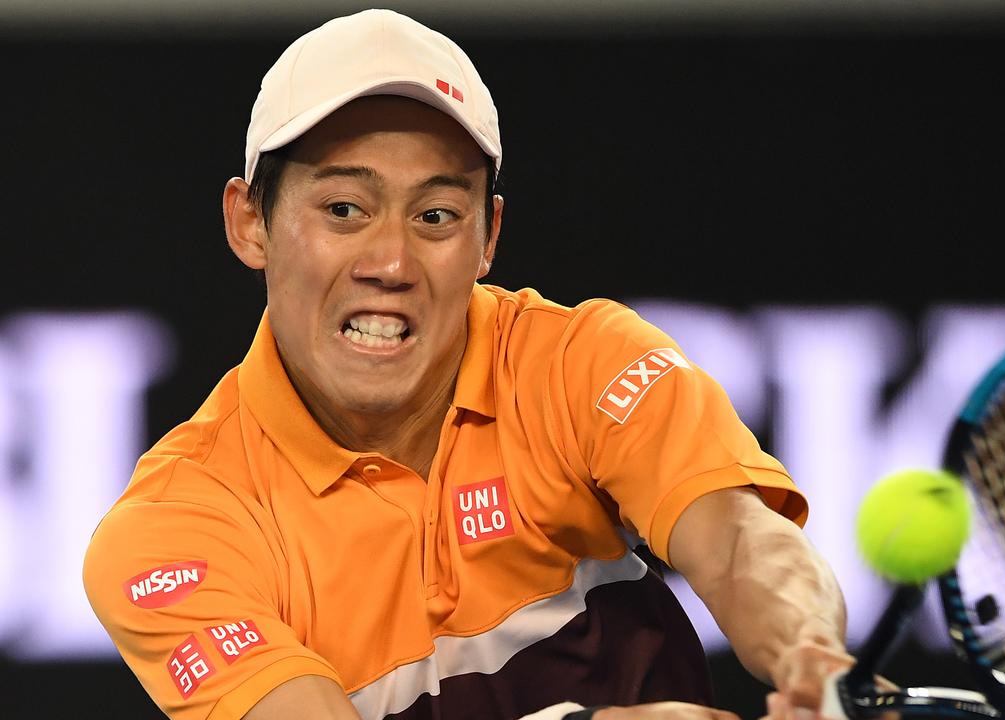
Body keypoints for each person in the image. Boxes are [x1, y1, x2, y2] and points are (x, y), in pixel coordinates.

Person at [83, 9, 861, 720]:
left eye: (435, 215)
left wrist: (808, 657)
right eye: (343, 209)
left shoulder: (579, 361)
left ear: (487, 237)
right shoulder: (171, 531)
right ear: (249, 222)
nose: (389, 261)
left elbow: (736, 542)